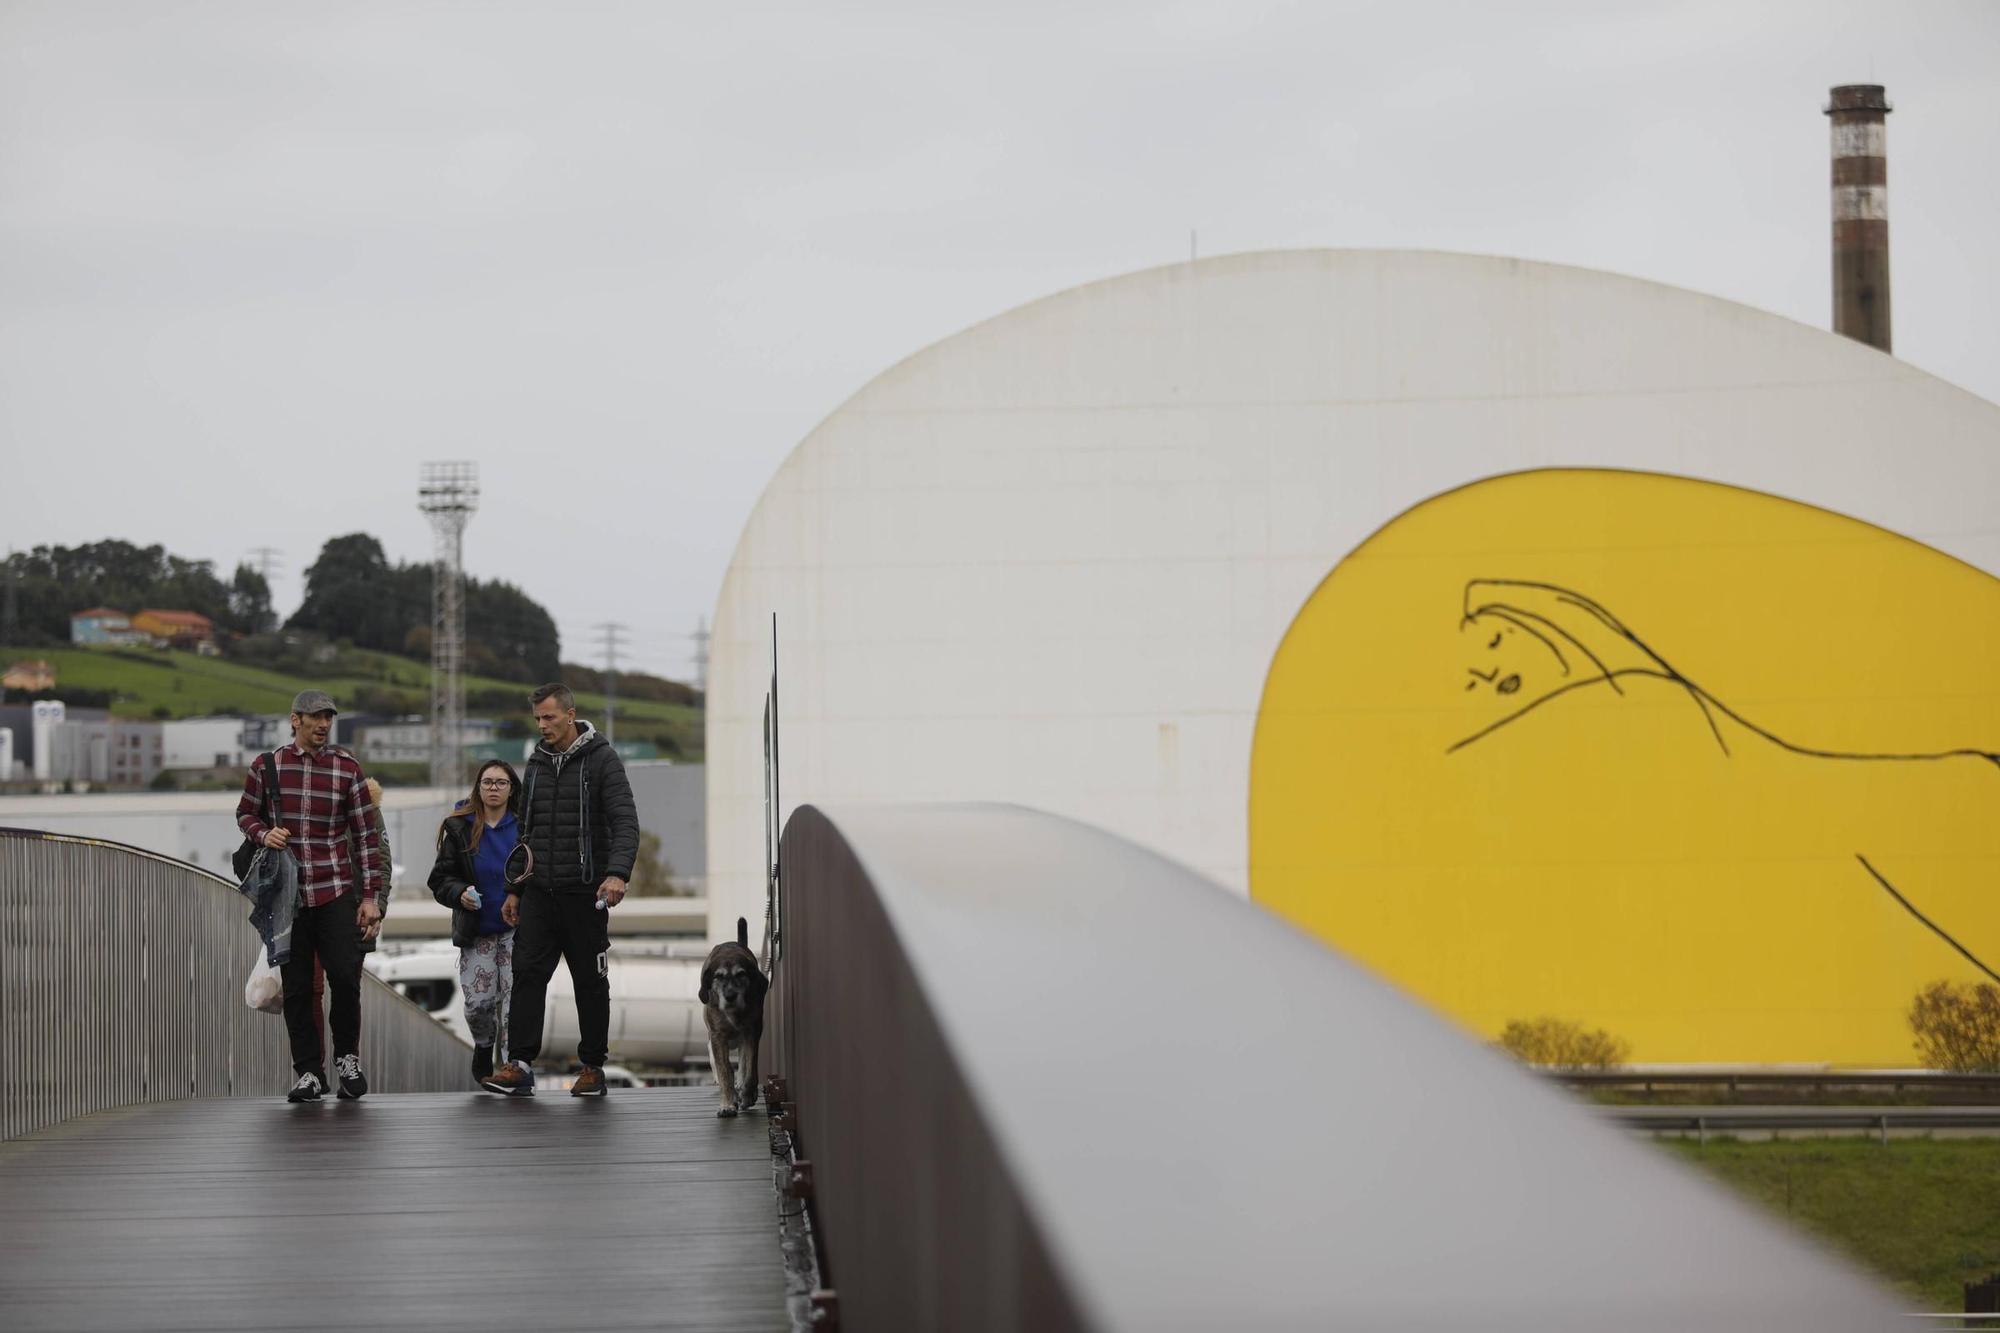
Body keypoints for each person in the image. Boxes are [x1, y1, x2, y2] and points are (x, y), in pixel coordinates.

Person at [480, 683, 638, 1098]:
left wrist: (617, 873)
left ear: (571, 714)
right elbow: (525, 832)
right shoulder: (534, 763)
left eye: (548, 717)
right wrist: (515, 888)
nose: (542, 725)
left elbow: (625, 821)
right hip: (539, 893)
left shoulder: (602, 760)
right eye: (537, 719)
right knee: (527, 975)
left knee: (590, 981)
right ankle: (518, 1064)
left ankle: (592, 1067)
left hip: (586, 894)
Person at [234, 689, 384, 1103]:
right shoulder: (267, 766)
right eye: (315, 718)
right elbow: (245, 813)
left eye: (328, 718)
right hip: (289, 896)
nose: (323, 725)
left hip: (336, 889)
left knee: (345, 980)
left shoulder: (346, 768)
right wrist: (265, 832)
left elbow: (366, 836)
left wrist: (370, 896)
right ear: (295, 719)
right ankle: (309, 1073)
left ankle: (348, 1059)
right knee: (298, 988)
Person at [427, 760, 523, 1085]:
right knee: (478, 1004)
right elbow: (440, 879)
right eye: (487, 782)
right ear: (478, 788)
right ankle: (484, 1044)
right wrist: (459, 894)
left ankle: (513, 1066)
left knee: (516, 1002)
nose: (494, 788)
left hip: (517, 928)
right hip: (477, 928)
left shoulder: (524, 826)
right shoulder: (459, 827)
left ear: (512, 789)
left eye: (501, 782)